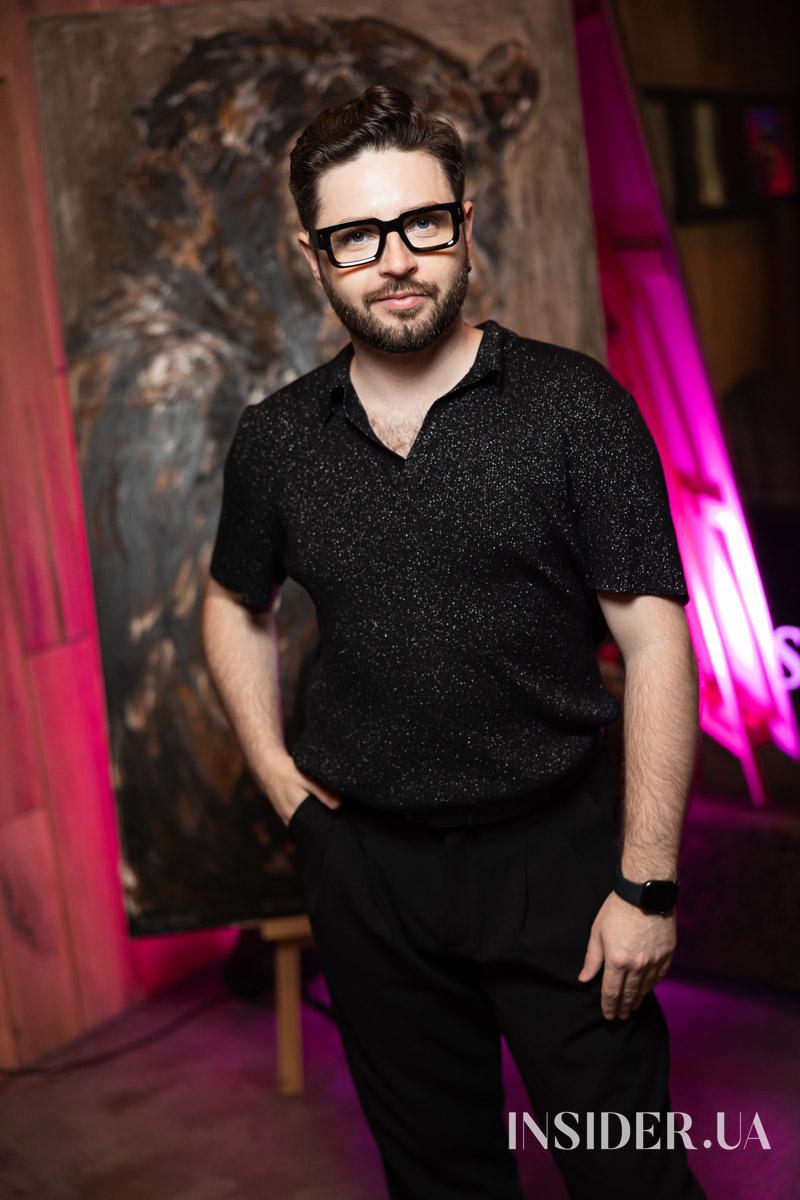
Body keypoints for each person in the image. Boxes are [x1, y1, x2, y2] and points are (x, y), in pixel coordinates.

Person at [202, 85, 707, 1200]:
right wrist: (283, 787)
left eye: (421, 223)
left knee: (632, 1179)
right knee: (440, 1183)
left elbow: (657, 645)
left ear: (464, 225)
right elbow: (233, 602)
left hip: (561, 861)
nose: (394, 260)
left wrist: (647, 887)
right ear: (313, 255)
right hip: (368, 871)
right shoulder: (277, 439)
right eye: (355, 236)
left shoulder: (575, 409)